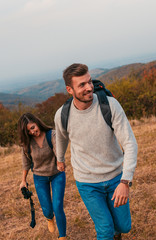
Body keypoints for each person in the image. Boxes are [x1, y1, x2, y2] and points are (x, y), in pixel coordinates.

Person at [54, 63, 138, 240]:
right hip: (87, 182)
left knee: (123, 226)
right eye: (82, 85)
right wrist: (59, 159)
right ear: (70, 89)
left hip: (116, 177)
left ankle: (117, 233)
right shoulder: (63, 115)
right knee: (104, 229)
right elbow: (61, 137)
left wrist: (125, 181)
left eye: (90, 82)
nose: (89, 88)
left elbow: (129, 143)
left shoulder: (110, 105)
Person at [18, 113, 67, 240]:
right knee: (47, 209)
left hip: (57, 174)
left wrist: (59, 161)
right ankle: (49, 218)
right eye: (29, 131)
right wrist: (23, 181)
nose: (33, 132)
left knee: (57, 206)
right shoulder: (26, 144)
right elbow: (26, 163)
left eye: (33, 127)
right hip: (40, 177)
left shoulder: (52, 134)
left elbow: (58, 148)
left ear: (37, 123)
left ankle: (62, 236)